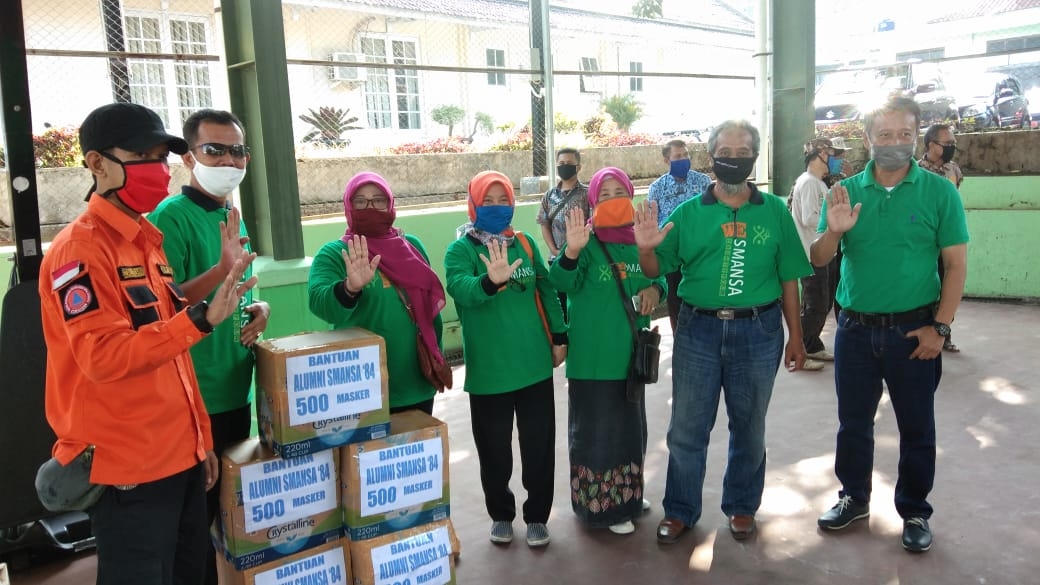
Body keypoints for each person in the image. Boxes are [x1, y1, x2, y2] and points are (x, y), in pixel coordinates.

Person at [38, 102, 256, 585]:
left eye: (161, 158)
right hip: (128, 467)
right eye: (142, 156)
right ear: (97, 164)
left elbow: (171, 349)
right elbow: (103, 356)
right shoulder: (79, 251)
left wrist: (199, 440)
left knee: (193, 573)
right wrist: (200, 319)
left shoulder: (145, 242)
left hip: (177, 455)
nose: (156, 171)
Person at [634, 120, 811, 544]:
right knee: (687, 427)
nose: (734, 158)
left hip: (759, 330)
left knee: (749, 425)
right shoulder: (687, 214)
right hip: (699, 332)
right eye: (725, 152)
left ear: (754, 157)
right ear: (710, 158)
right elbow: (657, 270)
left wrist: (798, 336)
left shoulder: (774, 212)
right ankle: (680, 510)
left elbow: (790, 277)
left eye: (743, 151)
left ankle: (742, 506)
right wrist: (645, 247)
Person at [812, 97, 969, 553]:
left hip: (913, 331)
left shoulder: (939, 193)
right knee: (852, 423)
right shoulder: (844, 191)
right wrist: (835, 231)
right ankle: (854, 498)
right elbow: (818, 259)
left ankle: (915, 509)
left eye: (904, 134)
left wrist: (939, 328)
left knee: (917, 426)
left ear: (917, 136)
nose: (895, 143)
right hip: (855, 331)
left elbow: (956, 266)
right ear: (867, 139)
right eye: (884, 135)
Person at [148, 108, 270, 585]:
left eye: (237, 150)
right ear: (188, 158)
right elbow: (165, 303)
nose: (228, 160)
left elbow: (240, 287)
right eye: (214, 150)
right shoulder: (169, 218)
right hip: (191, 399)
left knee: (229, 517)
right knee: (193, 530)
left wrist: (260, 310)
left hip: (234, 388)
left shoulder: (230, 214)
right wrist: (221, 270)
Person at [444, 170, 567, 548]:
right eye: (488, 201)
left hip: (533, 366)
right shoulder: (461, 249)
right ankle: (501, 515)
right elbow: (460, 289)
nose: (497, 208)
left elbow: (546, 289)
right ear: (473, 204)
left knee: (538, 448)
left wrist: (560, 335)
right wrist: (489, 281)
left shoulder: (526, 244)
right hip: (489, 372)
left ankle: (537, 517)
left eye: (503, 201)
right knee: (494, 451)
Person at [549, 167, 666, 536]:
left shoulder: (638, 240)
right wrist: (571, 249)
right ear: (593, 200)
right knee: (597, 436)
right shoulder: (586, 241)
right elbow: (559, 281)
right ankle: (602, 509)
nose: (614, 198)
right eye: (606, 193)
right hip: (593, 360)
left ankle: (628, 497)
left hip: (630, 358)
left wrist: (656, 291)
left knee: (631, 432)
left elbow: (656, 275)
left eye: (621, 191)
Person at [308, 171, 448, 414]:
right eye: (360, 201)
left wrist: (436, 354)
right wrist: (349, 288)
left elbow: (429, 311)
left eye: (379, 200)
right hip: (361, 389)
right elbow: (319, 303)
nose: (369, 207)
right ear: (348, 206)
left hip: (416, 380)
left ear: (391, 204)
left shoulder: (412, 246)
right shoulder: (335, 253)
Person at [789, 137, 848, 372]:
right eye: (833, 154)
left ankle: (812, 345)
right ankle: (800, 351)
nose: (837, 159)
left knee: (820, 303)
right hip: (811, 254)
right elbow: (809, 218)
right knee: (815, 304)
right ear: (819, 156)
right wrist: (834, 220)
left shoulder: (818, 183)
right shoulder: (810, 183)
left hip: (822, 252)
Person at [646, 139, 712, 333]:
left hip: (701, 252)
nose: (683, 159)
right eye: (678, 156)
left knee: (702, 296)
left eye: (686, 155)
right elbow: (653, 222)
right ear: (667, 161)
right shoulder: (657, 188)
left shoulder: (704, 182)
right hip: (672, 254)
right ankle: (680, 337)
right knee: (676, 300)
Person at [918, 123, 963, 352]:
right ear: (931, 145)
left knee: (949, 283)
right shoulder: (917, 171)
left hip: (948, 239)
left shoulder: (953, 169)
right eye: (947, 144)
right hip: (924, 242)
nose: (951, 147)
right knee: (927, 286)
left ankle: (944, 331)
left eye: (953, 144)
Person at [535, 147, 590, 322]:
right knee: (560, 301)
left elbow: (593, 223)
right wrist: (554, 249)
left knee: (581, 301)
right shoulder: (549, 196)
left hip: (582, 259)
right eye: (561, 164)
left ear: (578, 167)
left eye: (569, 164)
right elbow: (544, 224)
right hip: (556, 259)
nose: (564, 167)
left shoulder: (588, 194)